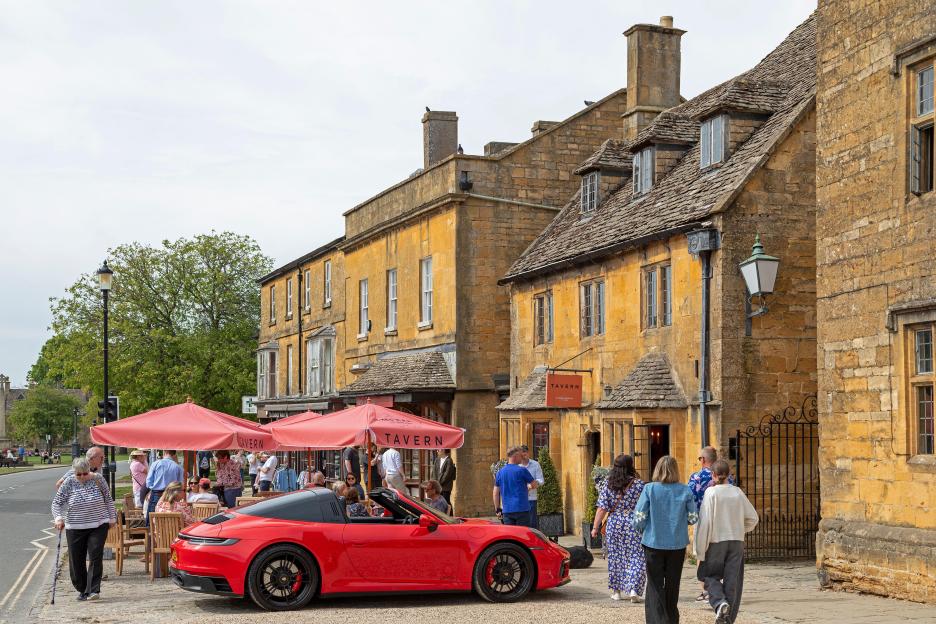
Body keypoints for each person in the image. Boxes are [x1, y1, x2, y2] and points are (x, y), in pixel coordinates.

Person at [632, 456, 699, 624]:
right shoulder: (685, 490)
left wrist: (641, 529)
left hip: (653, 542)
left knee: (654, 584)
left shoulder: (649, 489)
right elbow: (693, 517)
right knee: (672, 583)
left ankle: (658, 620)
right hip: (677, 544)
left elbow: (639, 518)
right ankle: (671, 618)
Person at [694, 460, 758, 624]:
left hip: (717, 541)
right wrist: (738, 528)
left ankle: (719, 603)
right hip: (736, 541)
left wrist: (700, 550)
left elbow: (705, 523)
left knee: (709, 575)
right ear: (729, 474)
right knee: (732, 580)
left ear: (713, 475)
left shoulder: (711, 493)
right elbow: (753, 518)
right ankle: (726, 619)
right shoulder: (737, 492)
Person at [51, 457, 117, 601]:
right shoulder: (69, 482)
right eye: (78, 474)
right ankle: (82, 589)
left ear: (89, 470)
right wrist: (58, 518)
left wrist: (112, 518)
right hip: (75, 526)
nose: (82, 477)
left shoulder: (98, 479)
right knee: (76, 559)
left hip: (98, 524)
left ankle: (93, 590)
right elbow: (57, 503)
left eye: (85, 473)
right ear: (74, 473)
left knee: (95, 555)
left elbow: (108, 498)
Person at [591, 454, 646, 602]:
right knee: (637, 556)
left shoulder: (608, 484)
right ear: (630, 466)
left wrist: (595, 527)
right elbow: (645, 506)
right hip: (634, 523)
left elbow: (602, 508)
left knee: (616, 557)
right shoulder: (639, 485)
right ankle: (634, 588)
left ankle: (616, 592)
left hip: (614, 524)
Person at [689, 446, 735, 602]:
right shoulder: (730, 478)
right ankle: (720, 587)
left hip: (704, 519)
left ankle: (705, 590)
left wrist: (692, 518)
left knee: (702, 553)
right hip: (724, 520)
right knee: (722, 554)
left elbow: (691, 499)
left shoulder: (696, 477)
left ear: (703, 459)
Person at [493, 446, 537, 526]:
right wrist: (528, 488)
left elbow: (496, 493)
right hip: (522, 509)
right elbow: (534, 484)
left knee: (510, 536)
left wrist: (497, 509)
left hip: (507, 510)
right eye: (521, 456)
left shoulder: (500, 472)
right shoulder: (522, 470)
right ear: (515, 456)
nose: (522, 458)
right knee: (523, 536)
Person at [145, 450, 184, 522]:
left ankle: (153, 532)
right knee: (172, 518)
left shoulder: (156, 463)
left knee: (152, 519)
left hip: (157, 493)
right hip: (172, 494)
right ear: (174, 454)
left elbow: (148, 481)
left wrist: (151, 489)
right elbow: (180, 484)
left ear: (164, 452)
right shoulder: (178, 467)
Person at [518, 445, 545, 528]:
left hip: (531, 499)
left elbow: (541, 480)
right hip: (519, 500)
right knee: (521, 525)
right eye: (522, 453)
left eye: (525, 452)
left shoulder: (535, 464)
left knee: (532, 523)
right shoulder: (517, 466)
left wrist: (532, 485)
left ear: (528, 453)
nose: (524, 454)